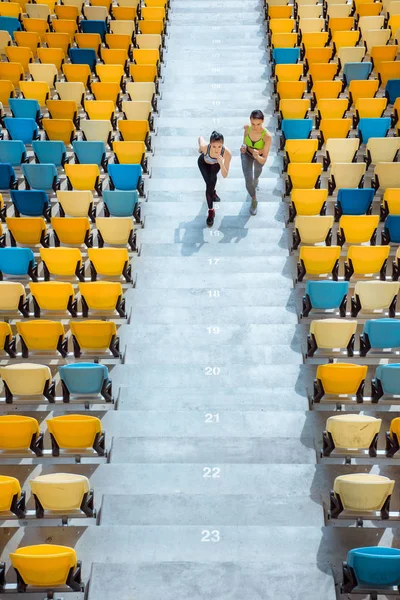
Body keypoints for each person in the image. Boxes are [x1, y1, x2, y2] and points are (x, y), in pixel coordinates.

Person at [240, 109, 272, 216]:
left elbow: (264, 159)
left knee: (257, 172)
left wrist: (257, 155)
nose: (255, 127)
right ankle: (254, 199)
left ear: (263, 121)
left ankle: (256, 179)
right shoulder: (247, 129)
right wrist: (243, 148)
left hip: (259, 157)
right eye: (253, 124)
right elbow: (244, 141)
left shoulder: (267, 136)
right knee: (248, 180)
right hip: (247, 155)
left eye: (258, 124)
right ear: (250, 121)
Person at [198, 131, 232, 227]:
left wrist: (221, 163)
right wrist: (199, 148)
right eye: (214, 146)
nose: (217, 150)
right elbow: (200, 138)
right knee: (209, 184)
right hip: (203, 164)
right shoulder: (205, 147)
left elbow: (225, 175)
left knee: (211, 182)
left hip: (216, 166)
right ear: (210, 144)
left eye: (219, 147)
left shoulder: (227, 153)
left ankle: (212, 193)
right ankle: (211, 211)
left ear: (223, 145)